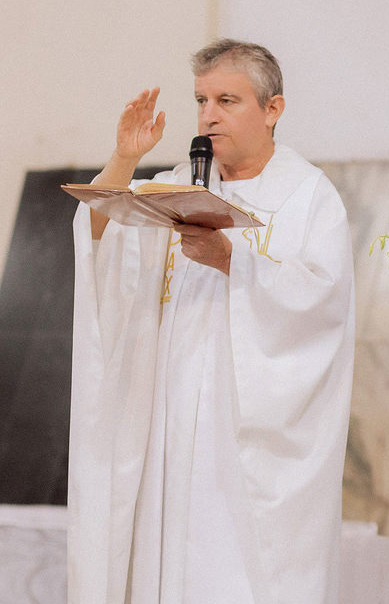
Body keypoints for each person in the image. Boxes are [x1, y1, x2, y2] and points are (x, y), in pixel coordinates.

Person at [68, 40, 355, 604]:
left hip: (246, 426)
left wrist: (232, 261)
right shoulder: (179, 185)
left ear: (272, 109)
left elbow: (324, 303)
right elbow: (101, 244)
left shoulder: (307, 196)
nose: (209, 116)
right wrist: (124, 160)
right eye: (202, 100)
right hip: (168, 414)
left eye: (227, 100)